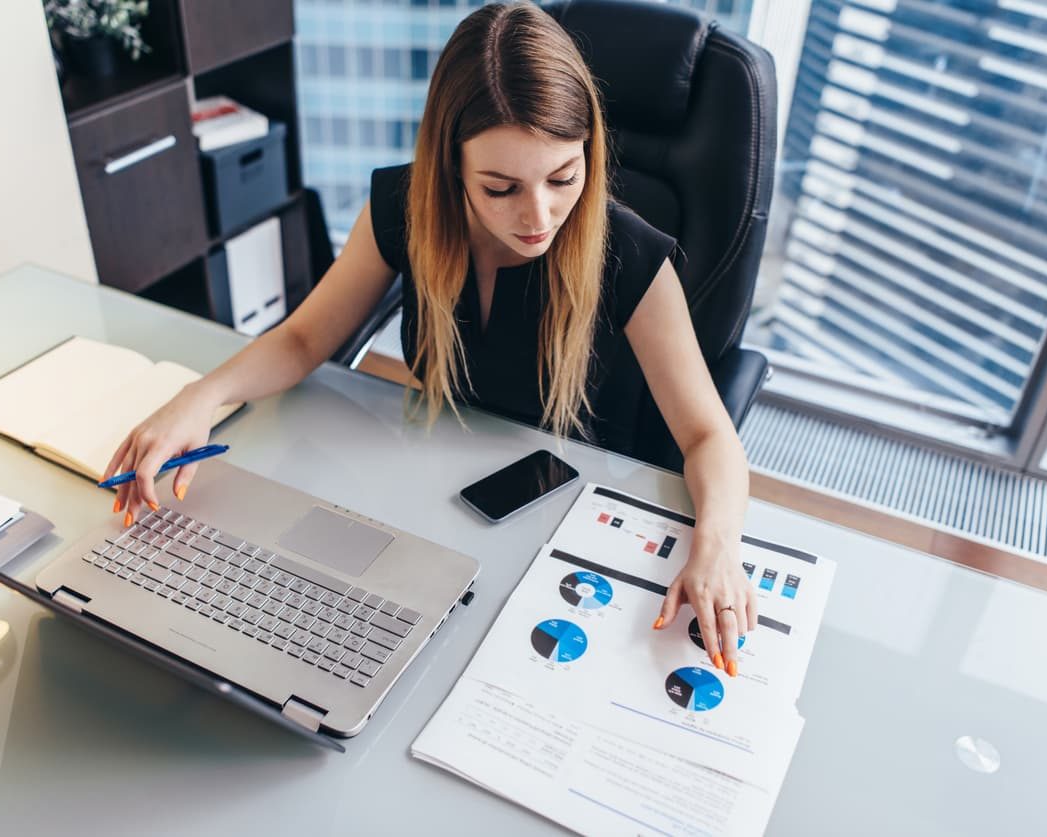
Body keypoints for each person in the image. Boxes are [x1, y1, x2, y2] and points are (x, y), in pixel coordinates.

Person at [103, 2, 756, 677]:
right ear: (450, 164)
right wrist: (200, 397)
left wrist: (716, 543)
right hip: (437, 502)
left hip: (563, 528)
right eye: (500, 188)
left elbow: (711, 437)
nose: (538, 217)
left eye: (563, 176)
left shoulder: (629, 255)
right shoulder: (407, 208)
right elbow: (303, 338)